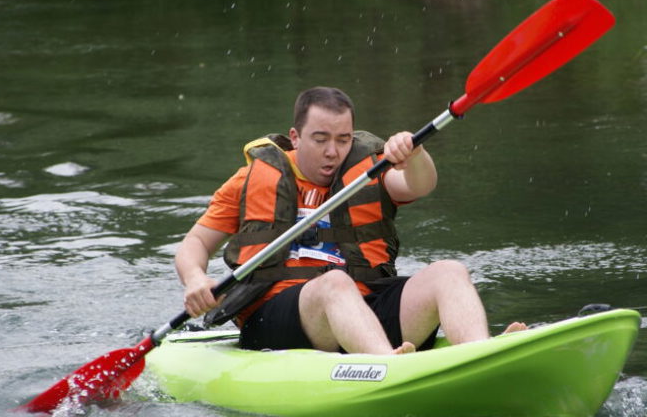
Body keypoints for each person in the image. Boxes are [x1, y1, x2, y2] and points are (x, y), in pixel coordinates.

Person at [175, 86, 525, 355]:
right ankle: (388, 368)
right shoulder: (250, 179)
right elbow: (195, 244)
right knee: (335, 284)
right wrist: (195, 279)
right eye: (320, 139)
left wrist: (415, 154)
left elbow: (421, 183)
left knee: (449, 271)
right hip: (277, 319)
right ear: (295, 137)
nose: (332, 151)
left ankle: (481, 353)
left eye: (343, 140)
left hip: (365, 308)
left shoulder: (370, 170)